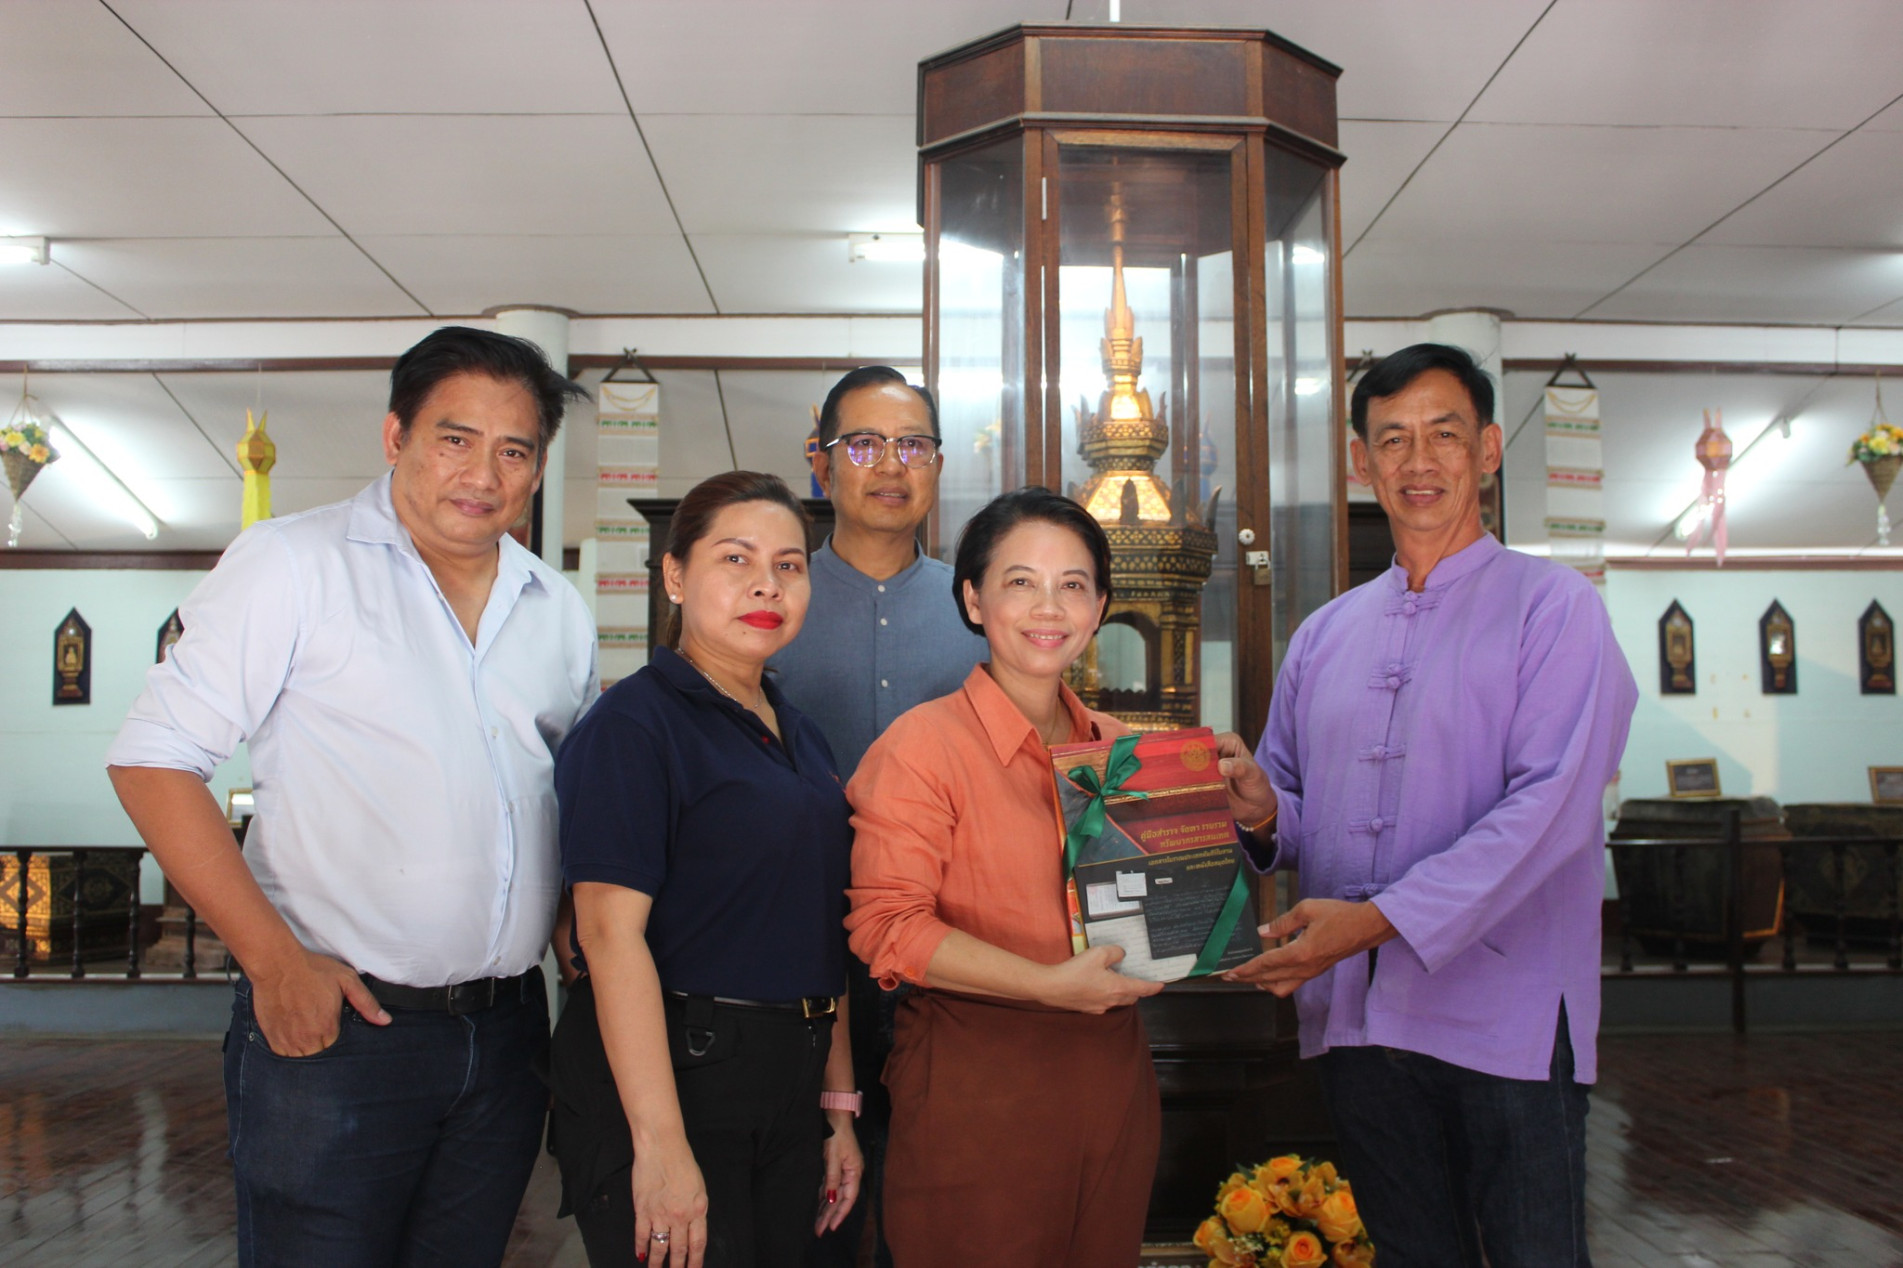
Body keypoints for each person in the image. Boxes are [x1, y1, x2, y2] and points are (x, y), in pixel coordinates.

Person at [105, 325, 597, 1267]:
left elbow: (565, 792)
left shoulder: (557, 608)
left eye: (514, 450)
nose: (482, 474)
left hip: (506, 1031)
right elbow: (153, 760)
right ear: (395, 436)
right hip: (341, 1029)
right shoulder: (293, 563)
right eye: (455, 439)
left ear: (538, 469)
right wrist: (275, 965)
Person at [1214, 343, 1638, 1268]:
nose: (1418, 461)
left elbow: (1553, 810)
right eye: (1391, 438)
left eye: (1443, 434)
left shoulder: (1554, 608)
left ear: (1486, 449)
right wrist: (1259, 811)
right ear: (1358, 462)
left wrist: (1375, 921)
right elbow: (1297, 812)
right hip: (1359, 1021)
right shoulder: (1322, 635)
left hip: (1508, 1018)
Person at [847, 486, 1232, 1267]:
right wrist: (1045, 985)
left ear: (1099, 609)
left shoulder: (1128, 753)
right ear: (973, 599)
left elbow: (1180, 914)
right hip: (976, 1084)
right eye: (1019, 581)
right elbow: (887, 927)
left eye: (1072, 584)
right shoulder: (921, 747)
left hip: (1111, 1081)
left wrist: (1241, 823)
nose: (1047, 607)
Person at [549, 471, 860, 1268]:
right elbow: (607, 937)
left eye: (788, 566)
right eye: (735, 559)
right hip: (678, 1078)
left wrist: (837, 1108)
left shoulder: (801, 732)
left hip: (792, 1082)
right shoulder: (633, 724)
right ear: (676, 576)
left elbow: (821, 926)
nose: (767, 584)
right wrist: (659, 1147)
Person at [767, 365, 988, 1267]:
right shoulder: (772, 599)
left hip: (949, 963)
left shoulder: (980, 609)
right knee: (801, 1213)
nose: (890, 465)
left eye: (913, 446)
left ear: (937, 466)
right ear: (819, 463)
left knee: (931, 1214)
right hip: (793, 960)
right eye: (862, 445)